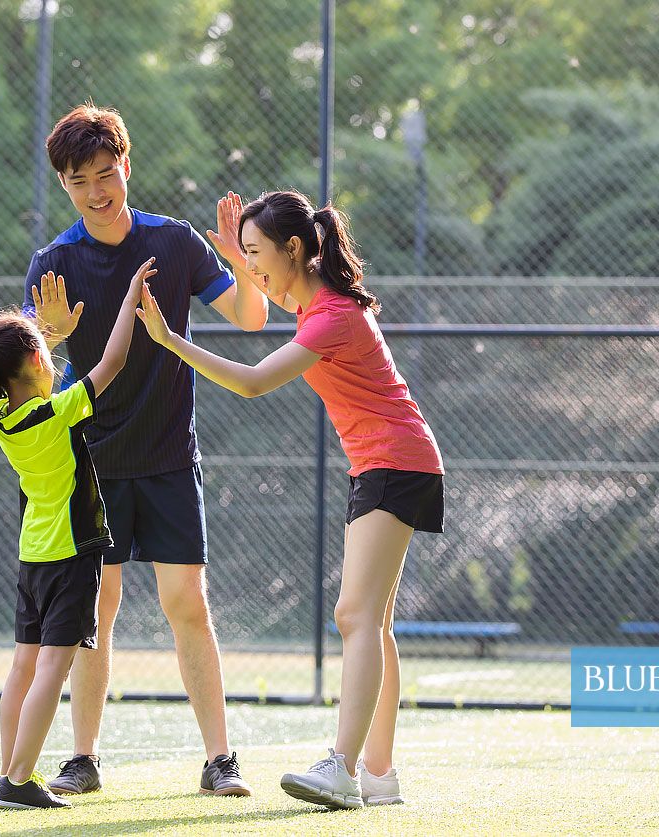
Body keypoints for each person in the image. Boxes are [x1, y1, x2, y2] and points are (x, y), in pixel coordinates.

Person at [137, 189, 445, 810]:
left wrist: (170, 340)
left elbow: (251, 383)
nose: (249, 268)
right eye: (244, 255)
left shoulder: (330, 317)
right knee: (372, 625)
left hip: (396, 462)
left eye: (257, 254)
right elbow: (270, 297)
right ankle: (378, 774)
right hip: (387, 464)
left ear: (296, 249)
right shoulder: (313, 306)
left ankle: (344, 768)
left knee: (354, 617)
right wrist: (237, 253)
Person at [25, 103, 268, 798]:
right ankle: (83, 758)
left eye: (107, 173)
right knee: (93, 608)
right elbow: (38, 383)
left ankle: (220, 759)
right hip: (90, 463)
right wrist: (54, 340)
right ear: (64, 186)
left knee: (186, 601)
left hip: (167, 456)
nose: (98, 191)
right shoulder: (53, 265)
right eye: (80, 181)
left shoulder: (177, 242)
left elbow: (253, 317)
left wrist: (237, 260)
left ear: (125, 166)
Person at [0, 260, 156, 809]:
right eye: (46, 355)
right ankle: (19, 779)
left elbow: (17, 363)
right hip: (71, 554)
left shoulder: (1, 414)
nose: (54, 360)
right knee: (54, 664)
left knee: (24, 664)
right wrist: (130, 297)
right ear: (32, 365)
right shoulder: (57, 414)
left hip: (34, 557)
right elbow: (112, 361)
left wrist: (41, 333)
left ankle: (8, 772)